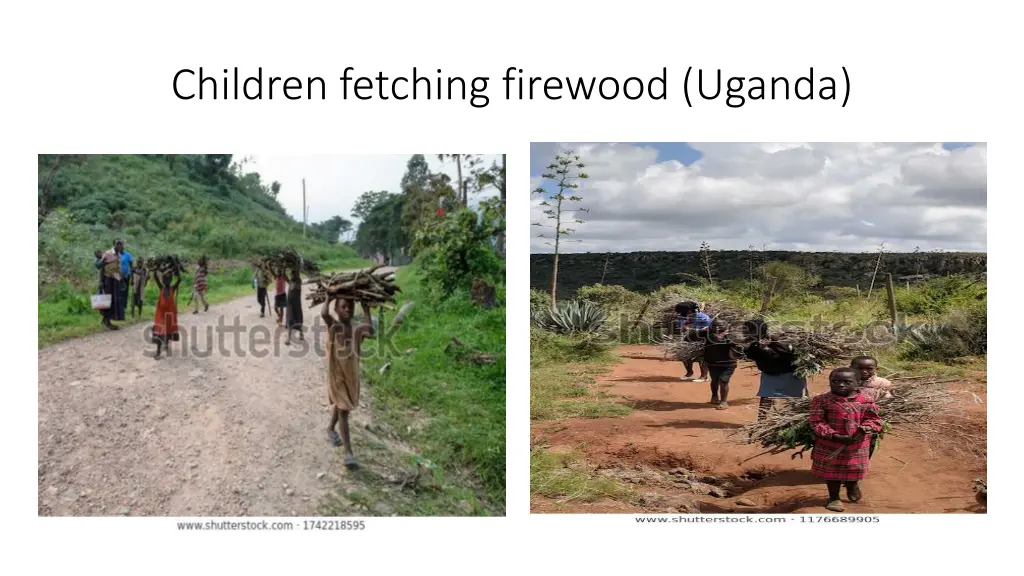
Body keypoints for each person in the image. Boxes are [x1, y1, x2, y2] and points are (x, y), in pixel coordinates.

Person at [809, 367, 884, 512]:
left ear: (857, 383)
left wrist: (866, 428)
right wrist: (833, 435)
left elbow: (874, 420)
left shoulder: (866, 401)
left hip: (857, 445)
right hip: (829, 444)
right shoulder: (821, 400)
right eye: (835, 381)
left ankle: (851, 485)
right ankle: (834, 498)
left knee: (854, 468)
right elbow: (816, 421)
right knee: (831, 473)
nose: (840, 385)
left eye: (846, 382)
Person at [321, 295, 375, 468]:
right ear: (336, 310)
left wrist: (366, 309)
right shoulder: (335, 327)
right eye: (343, 307)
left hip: (351, 377)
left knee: (341, 405)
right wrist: (328, 298)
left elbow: (371, 331)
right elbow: (324, 314)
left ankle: (330, 428)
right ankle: (348, 453)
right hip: (337, 376)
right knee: (344, 410)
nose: (347, 310)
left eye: (350, 307)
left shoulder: (357, 330)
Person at [741, 319, 807, 420]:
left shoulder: (777, 339)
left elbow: (790, 356)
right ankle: (761, 422)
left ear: (758, 331)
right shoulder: (751, 343)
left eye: (747, 331)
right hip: (769, 374)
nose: (744, 333)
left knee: (795, 399)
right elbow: (751, 356)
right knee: (766, 398)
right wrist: (758, 348)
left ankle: (797, 420)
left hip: (790, 374)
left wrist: (768, 348)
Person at [851, 355, 893, 458]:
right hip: (849, 417)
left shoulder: (882, 383)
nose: (864, 371)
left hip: (871, 419)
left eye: (869, 369)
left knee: (867, 442)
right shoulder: (845, 380)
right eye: (859, 368)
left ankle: (862, 464)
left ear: (875, 369)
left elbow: (887, 399)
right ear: (851, 368)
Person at [702, 319, 743, 409]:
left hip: (728, 363)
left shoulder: (731, 336)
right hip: (713, 363)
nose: (718, 329)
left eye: (720, 327)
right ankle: (714, 397)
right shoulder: (708, 335)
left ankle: (723, 401)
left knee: (723, 380)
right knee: (715, 380)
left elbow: (739, 348)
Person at [675, 301, 710, 382]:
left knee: (702, 357)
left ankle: (704, 376)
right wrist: (684, 327)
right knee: (684, 355)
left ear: (689, 311)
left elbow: (705, 330)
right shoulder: (687, 317)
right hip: (690, 338)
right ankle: (689, 373)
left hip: (703, 339)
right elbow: (683, 328)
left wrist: (693, 329)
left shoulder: (702, 317)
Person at [152, 265, 181, 359]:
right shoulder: (161, 288)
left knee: (168, 330)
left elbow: (179, 279)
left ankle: (167, 343)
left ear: (171, 280)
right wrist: (156, 269)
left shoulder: (173, 288)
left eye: (168, 279)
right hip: (160, 314)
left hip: (169, 314)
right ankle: (158, 351)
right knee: (160, 332)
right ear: (163, 280)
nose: (166, 280)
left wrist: (177, 269)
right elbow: (155, 277)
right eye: (164, 278)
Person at [95, 243, 124, 329]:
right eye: (120, 245)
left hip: (115, 279)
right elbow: (100, 266)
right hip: (108, 279)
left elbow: (117, 267)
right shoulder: (108, 253)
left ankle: (106, 320)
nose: (122, 247)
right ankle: (107, 321)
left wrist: (120, 278)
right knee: (108, 300)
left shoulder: (118, 254)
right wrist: (101, 281)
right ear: (116, 245)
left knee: (113, 301)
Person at [284, 267, 304, 345]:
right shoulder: (291, 281)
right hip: (290, 305)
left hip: (297, 305)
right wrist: (283, 269)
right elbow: (284, 276)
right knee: (290, 320)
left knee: (298, 320)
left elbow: (292, 287)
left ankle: (301, 333)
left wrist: (296, 268)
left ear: (296, 274)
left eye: (292, 274)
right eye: (291, 274)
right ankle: (288, 338)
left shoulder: (298, 281)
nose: (291, 275)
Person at [116, 239, 133, 321]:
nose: (120, 246)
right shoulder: (114, 255)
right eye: (118, 245)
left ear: (123, 246)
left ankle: (124, 308)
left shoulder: (127, 255)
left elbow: (131, 265)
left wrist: (132, 277)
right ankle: (119, 308)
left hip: (126, 276)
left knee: (125, 292)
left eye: (121, 244)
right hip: (117, 276)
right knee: (118, 292)